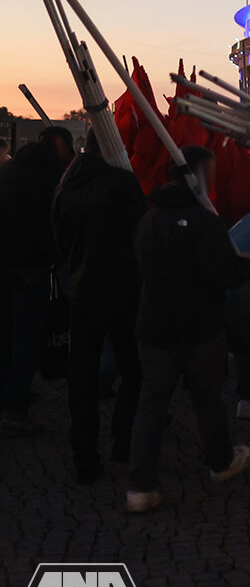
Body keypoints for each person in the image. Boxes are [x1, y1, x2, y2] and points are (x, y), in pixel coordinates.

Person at [126, 147, 250, 512]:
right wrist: (245, 266)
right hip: (198, 328)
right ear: (198, 173)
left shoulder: (149, 219)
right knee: (207, 399)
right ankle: (220, 460)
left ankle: (139, 485)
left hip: (154, 326)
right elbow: (221, 273)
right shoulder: (203, 222)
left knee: (152, 404)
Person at [52, 130, 147, 483]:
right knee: (134, 370)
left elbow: (59, 239)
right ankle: (123, 441)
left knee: (82, 377)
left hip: (82, 289)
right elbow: (140, 233)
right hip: (122, 287)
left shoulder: (66, 186)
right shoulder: (122, 183)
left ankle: (85, 458)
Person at [0, 126, 73, 435]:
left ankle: (10, 396)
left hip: (3, 264)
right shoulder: (54, 178)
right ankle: (14, 411)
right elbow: (59, 225)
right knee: (27, 340)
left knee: (5, 337)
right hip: (33, 269)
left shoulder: (9, 170)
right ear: (61, 148)